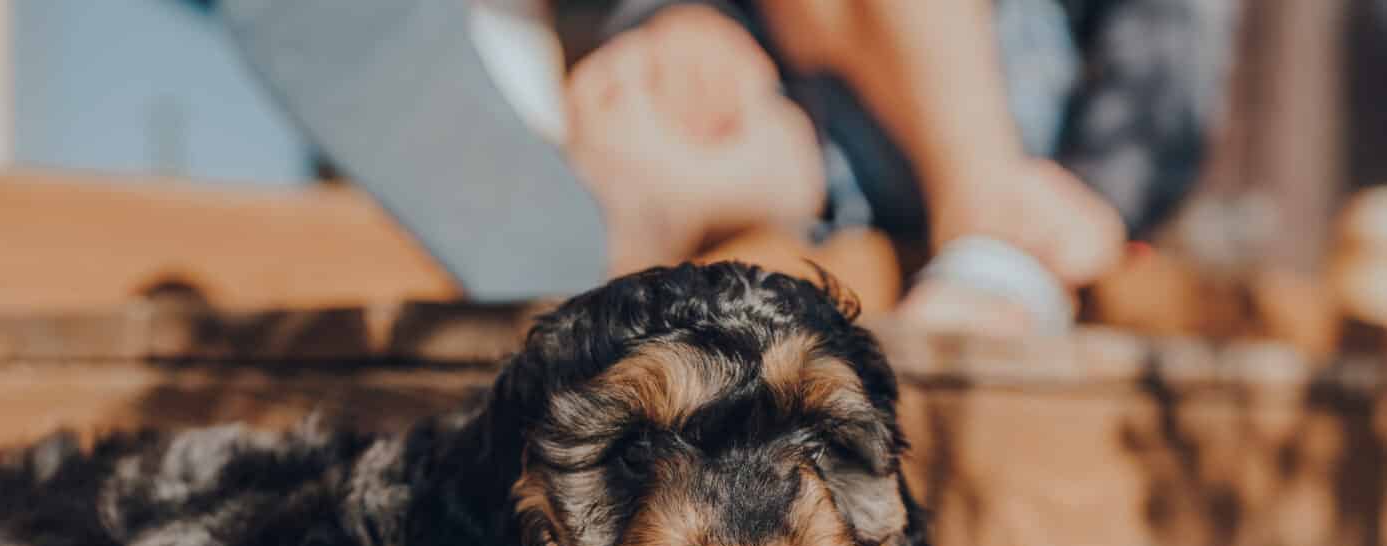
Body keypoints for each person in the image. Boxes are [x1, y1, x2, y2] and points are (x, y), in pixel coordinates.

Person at [222, 0, 1235, 333]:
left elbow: (1171, 32)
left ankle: (990, 239)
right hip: (797, 108)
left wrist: (1107, 184)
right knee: (637, 135)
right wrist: (664, 19)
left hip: (992, 106)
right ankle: (601, 364)